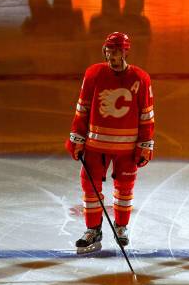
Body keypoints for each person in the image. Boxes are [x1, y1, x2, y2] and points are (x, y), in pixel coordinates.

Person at [66, 32, 154, 254]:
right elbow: (82, 107)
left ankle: (121, 227)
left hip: (127, 148)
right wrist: (77, 137)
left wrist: (145, 145)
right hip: (95, 146)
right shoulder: (94, 73)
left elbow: (146, 115)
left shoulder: (141, 78)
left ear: (125, 51)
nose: (110, 55)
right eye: (108, 50)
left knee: (124, 189)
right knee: (90, 188)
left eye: (115, 51)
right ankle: (92, 229)